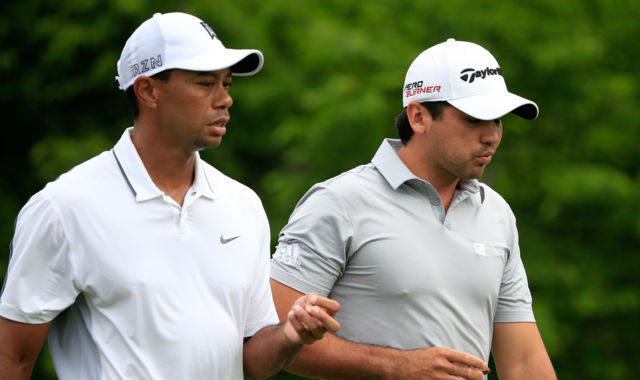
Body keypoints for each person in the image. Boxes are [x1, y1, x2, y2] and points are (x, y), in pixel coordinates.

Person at [0, 12, 339, 380]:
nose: (225, 99)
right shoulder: (64, 207)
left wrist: (290, 334)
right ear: (148, 91)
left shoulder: (243, 205)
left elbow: (248, 360)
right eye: (206, 84)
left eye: (226, 84)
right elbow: (12, 359)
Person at [270, 38, 556, 380]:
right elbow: (274, 335)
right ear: (418, 116)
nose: (491, 136)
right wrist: (397, 366)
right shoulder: (338, 202)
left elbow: (522, 360)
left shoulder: (496, 213)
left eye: (497, 121)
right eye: (474, 119)